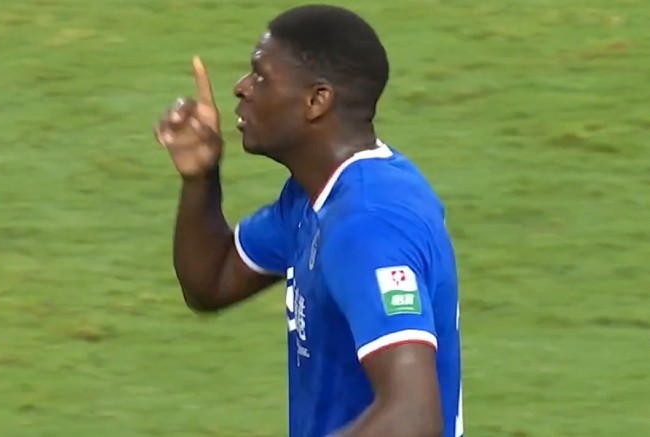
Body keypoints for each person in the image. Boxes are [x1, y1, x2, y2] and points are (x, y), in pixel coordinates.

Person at [154, 4, 463, 437]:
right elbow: (212, 282)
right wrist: (200, 176)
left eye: (261, 76)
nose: (241, 88)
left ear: (317, 100)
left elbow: (413, 418)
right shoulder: (314, 196)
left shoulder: (367, 226)